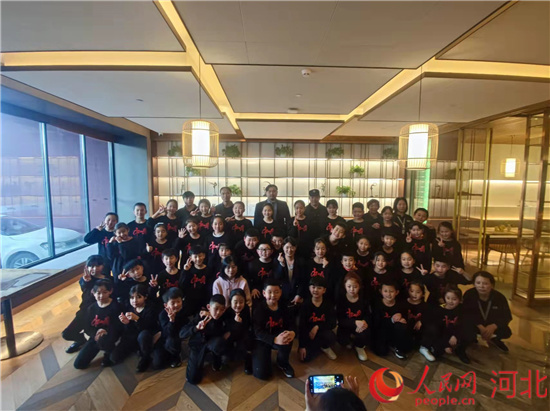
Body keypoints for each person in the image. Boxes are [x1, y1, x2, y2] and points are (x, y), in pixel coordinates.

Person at [63, 255, 111, 353]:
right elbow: (86, 292)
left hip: (100, 312)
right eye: (91, 266)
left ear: (103, 266)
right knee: (66, 334)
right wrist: (87, 282)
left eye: (97, 266)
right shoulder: (85, 279)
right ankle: (81, 340)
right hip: (85, 312)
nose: (94, 269)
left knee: (94, 334)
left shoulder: (108, 280)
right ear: (87, 267)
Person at [110, 284, 161, 372]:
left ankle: (145, 357)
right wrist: (126, 323)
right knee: (114, 357)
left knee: (143, 336)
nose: (134, 300)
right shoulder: (129, 308)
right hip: (132, 336)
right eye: (132, 297)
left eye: (138, 297)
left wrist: (137, 319)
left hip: (146, 335)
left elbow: (149, 327)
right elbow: (128, 331)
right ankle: (135, 348)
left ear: (145, 297)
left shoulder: (150, 308)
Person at [252, 279, 295, 380]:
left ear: (280, 293)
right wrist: (274, 340)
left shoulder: (284, 306)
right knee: (262, 374)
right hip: (262, 339)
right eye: (270, 292)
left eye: (276, 292)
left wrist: (293, 332)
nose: (273, 295)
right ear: (264, 293)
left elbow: (291, 323)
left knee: (287, 337)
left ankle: (282, 363)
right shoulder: (259, 309)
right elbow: (257, 332)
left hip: (279, 335)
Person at [73, 280, 121, 369]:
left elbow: (117, 326)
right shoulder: (91, 308)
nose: (101, 296)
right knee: (79, 364)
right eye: (98, 293)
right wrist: (96, 333)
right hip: (95, 336)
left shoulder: (116, 307)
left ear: (110, 291)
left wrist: (105, 331)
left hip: (109, 335)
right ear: (93, 293)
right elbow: (87, 327)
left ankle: (109, 352)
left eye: (105, 292)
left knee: (105, 343)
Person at [180, 294, 227, 384]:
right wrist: (196, 328)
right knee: (193, 379)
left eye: (222, 309)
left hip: (212, 343)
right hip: (198, 345)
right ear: (209, 307)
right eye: (216, 309)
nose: (218, 312)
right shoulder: (200, 316)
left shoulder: (223, 317)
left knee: (219, 343)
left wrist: (213, 320)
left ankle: (216, 359)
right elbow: (182, 334)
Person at [463, 271, 512, 352]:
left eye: (485, 283)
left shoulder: (499, 297)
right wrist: (480, 326)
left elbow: (507, 316)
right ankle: (470, 339)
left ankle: (494, 339)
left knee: (506, 332)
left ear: (492, 285)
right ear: (474, 284)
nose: (481, 286)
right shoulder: (469, 294)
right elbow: (465, 313)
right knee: (465, 327)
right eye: (478, 283)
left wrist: (493, 326)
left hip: (491, 324)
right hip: (475, 324)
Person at [299, 277, 338, 362]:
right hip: (309, 335)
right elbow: (302, 326)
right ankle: (317, 347)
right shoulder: (305, 305)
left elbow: (332, 323)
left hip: (323, 332)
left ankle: (324, 347)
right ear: (309, 288)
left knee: (331, 337)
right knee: (305, 358)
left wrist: (317, 327)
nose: (316, 290)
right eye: (313, 287)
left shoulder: (328, 304)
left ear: (324, 290)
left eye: (319, 288)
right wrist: (302, 346)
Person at [430, 285, 470, 363]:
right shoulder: (439, 310)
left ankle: (460, 350)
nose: (450, 301)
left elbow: (464, 325)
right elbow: (438, 330)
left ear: (460, 300)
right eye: (448, 298)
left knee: (469, 332)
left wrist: (456, 335)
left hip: (455, 333)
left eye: (454, 299)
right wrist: (445, 345)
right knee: (437, 352)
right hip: (443, 335)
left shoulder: (461, 309)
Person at [372, 280, 410, 359]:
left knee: (402, 328)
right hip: (381, 332)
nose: (388, 294)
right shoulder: (377, 304)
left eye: (391, 291)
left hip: (395, 331)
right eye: (385, 291)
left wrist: (402, 319)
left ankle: (397, 347)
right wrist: (392, 320)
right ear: (381, 291)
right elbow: (376, 323)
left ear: (397, 292)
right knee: (381, 352)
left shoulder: (400, 304)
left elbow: (406, 318)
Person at [336, 272, 370, 361]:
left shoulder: (363, 299)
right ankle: (350, 340)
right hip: (347, 325)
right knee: (342, 340)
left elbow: (368, 314)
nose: (352, 289)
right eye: (349, 286)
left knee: (364, 334)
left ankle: (359, 347)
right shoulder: (341, 299)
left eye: (355, 287)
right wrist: (354, 322)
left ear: (359, 287)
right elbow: (340, 319)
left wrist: (364, 322)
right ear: (345, 286)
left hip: (360, 326)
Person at [152, 287, 187, 369]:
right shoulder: (163, 315)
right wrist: (171, 320)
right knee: (158, 364)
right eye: (173, 303)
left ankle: (175, 356)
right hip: (165, 337)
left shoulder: (183, 311)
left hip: (176, 338)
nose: (176, 305)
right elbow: (167, 333)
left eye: (178, 301)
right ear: (166, 305)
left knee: (172, 341)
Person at [223, 289, 253, 375]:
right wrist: (236, 324)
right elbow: (227, 327)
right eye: (235, 302)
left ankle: (248, 360)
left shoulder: (246, 309)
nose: (238, 305)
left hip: (243, 332)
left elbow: (247, 325)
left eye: (241, 302)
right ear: (231, 302)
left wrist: (240, 323)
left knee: (248, 339)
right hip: (231, 333)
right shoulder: (228, 311)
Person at [404, 281, 435, 361]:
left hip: (420, 331)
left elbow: (429, 317)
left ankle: (424, 347)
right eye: (412, 291)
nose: (414, 294)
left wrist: (421, 321)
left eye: (418, 292)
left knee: (431, 326)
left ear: (423, 294)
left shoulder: (426, 306)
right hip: (408, 330)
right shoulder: (404, 303)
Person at [274, 237, 306, 307]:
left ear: (295, 248)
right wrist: (281, 264)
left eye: (292, 247)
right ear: (283, 247)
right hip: (281, 295)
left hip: (296, 294)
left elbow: (303, 280)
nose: (289, 250)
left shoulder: (301, 261)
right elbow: (276, 278)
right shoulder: (277, 260)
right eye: (287, 247)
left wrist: (298, 295)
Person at [181, 245, 211, 317]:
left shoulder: (209, 270)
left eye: (200, 256)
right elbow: (181, 284)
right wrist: (185, 271)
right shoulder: (188, 269)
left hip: (203, 300)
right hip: (190, 300)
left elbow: (210, 287)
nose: (198, 259)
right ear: (191, 257)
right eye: (195, 256)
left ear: (204, 256)